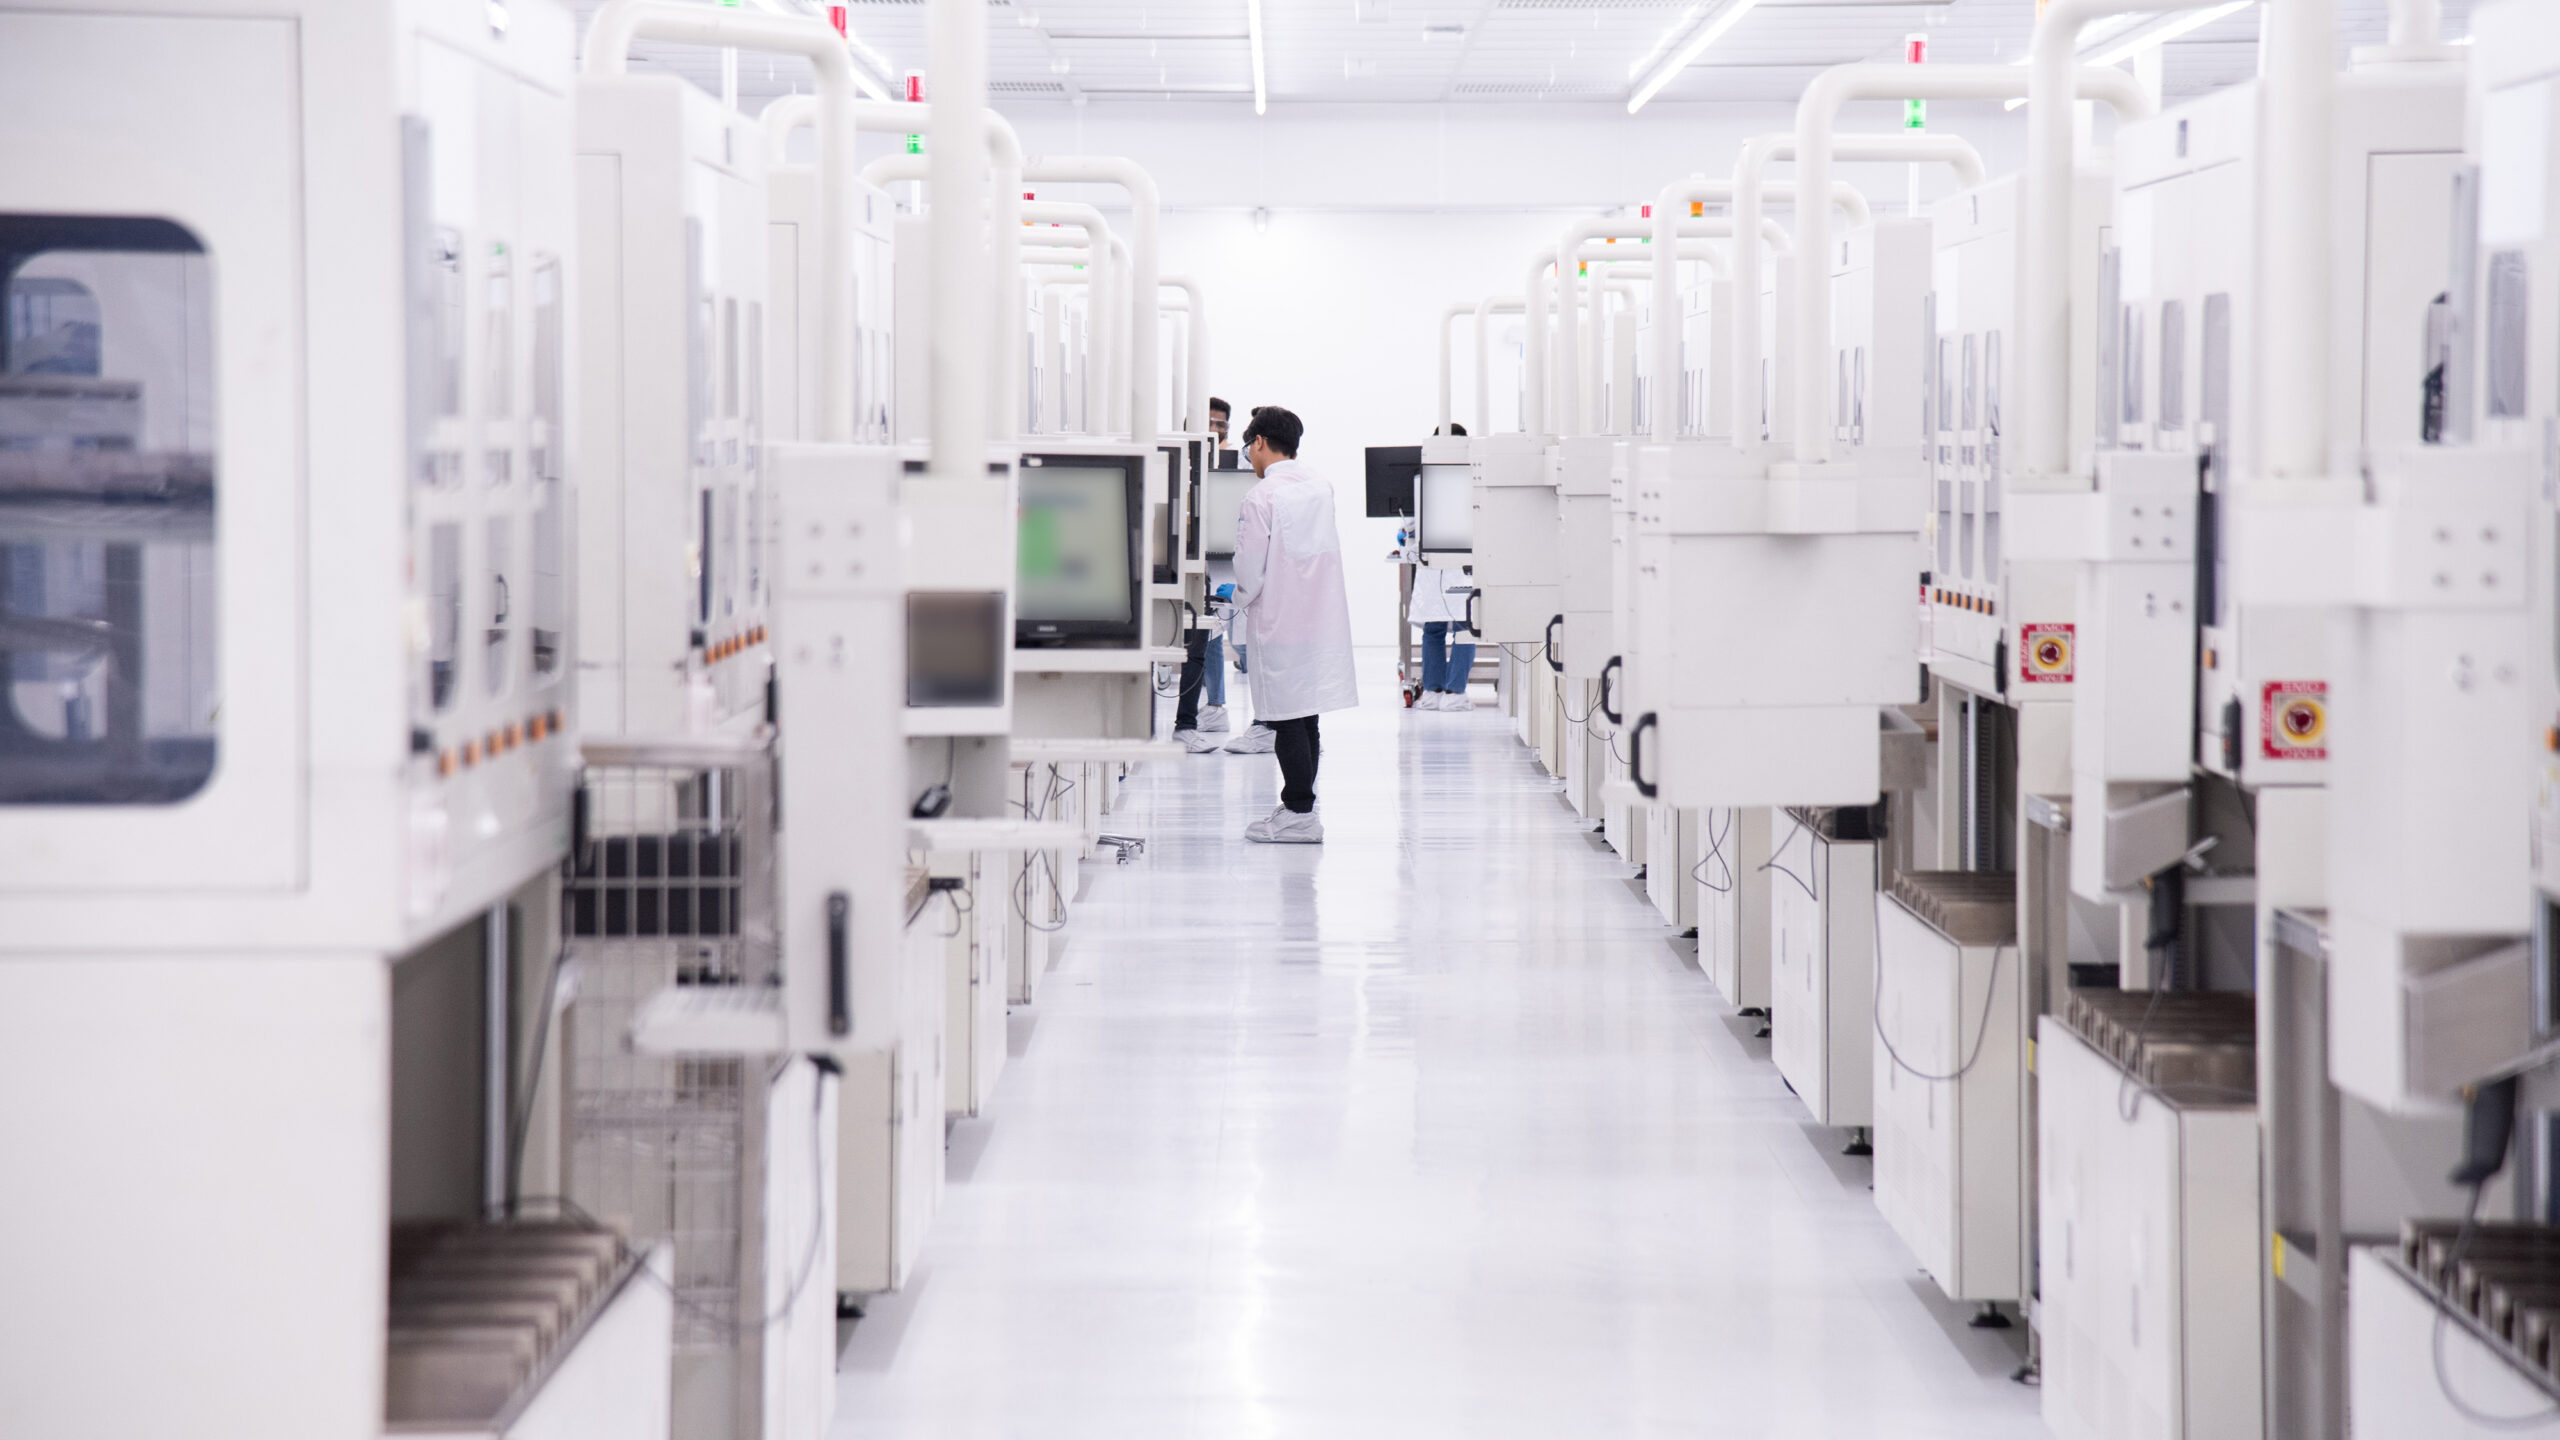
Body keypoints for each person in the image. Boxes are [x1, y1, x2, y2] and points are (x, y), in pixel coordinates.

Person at [1227, 407, 1358, 842]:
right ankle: (1300, 807)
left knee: (1285, 718)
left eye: (1250, 447)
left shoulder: (1261, 496)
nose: (1249, 457)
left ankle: (1299, 812)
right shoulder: (1320, 486)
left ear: (1261, 442)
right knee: (1307, 716)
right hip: (1318, 618)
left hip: (1279, 619)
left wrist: (1238, 599)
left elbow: (1249, 568)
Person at [1408, 565, 1477, 710]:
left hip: (1432, 572)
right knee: (1464, 629)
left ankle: (1433, 693)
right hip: (1462, 570)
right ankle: (1455, 694)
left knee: (1433, 629)